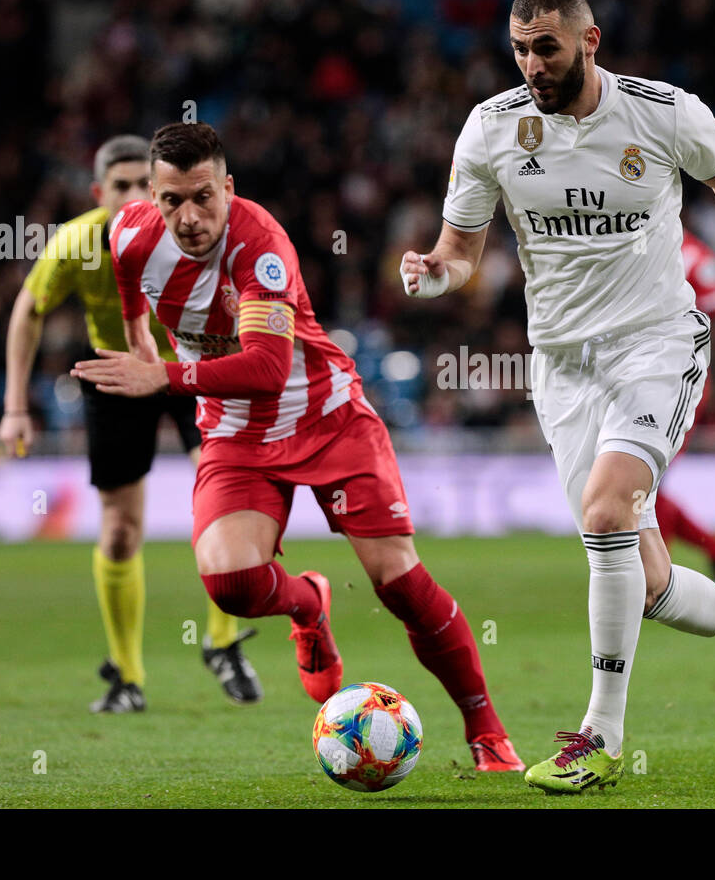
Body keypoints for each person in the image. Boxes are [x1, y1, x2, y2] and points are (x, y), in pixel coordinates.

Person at [401, 0, 715, 793]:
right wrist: (430, 275)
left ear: (589, 41)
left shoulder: (663, 112)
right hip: (561, 368)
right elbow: (458, 254)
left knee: (606, 512)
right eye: (521, 49)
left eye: (547, 47)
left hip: (656, 345)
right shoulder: (491, 130)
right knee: (654, 584)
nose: (532, 63)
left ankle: (597, 736)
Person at [72, 122, 522, 772]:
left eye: (203, 197)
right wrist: (142, 339)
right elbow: (128, 285)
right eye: (173, 201)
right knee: (229, 581)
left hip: (326, 416)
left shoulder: (260, 247)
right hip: (235, 434)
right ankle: (308, 605)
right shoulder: (129, 233)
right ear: (153, 197)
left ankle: (486, 730)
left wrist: (161, 374)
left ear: (227, 187)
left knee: (399, 583)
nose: (189, 217)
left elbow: (265, 368)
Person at [0, 135, 261, 713]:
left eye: (138, 186)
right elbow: (29, 309)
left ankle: (222, 643)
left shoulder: (193, 228)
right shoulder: (76, 242)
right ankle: (129, 675)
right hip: (116, 378)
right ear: (98, 193)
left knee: (223, 506)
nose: (129, 197)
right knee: (119, 531)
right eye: (115, 187)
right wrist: (16, 406)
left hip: (192, 369)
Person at [655, 227, 715, 591]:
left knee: (646, 480)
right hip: (636, 378)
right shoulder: (632, 237)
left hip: (683, 382)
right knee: (638, 481)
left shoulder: (697, 257)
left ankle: (656, 575)